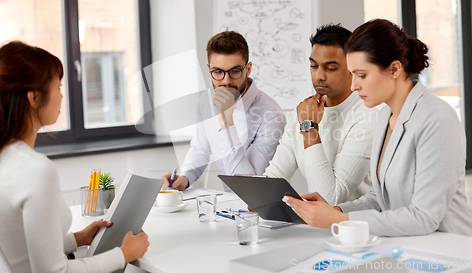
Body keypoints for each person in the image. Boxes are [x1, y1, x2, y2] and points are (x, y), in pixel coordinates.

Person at [282, 19, 472, 238]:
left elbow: (424, 217)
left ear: (394, 69)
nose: (353, 85)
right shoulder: (384, 117)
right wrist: (334, 211)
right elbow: (380, 199)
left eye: (362, 75)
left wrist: (340, 220)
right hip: (411, 245)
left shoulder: (437, 118)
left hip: (453, 249)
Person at [0, 41, 150, 272]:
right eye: (57, 87)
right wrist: (124, 254)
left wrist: (78, 238)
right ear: (34, 98)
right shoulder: (34, 169)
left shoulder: (8, 159)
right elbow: (54, 271)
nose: (61, 97)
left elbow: (21, 244)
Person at [262, 23, 377, 205]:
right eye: (313, 66)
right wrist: (258, 197)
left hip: (356, 227)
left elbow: (328, 199)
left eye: (330, 68)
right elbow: (277, 174)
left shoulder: (367, 117)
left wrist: (309, 129)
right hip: (318, 226)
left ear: (352, 69)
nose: (319, 76)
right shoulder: (303, 111)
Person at [162, 31, 285, 191]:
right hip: (226, 206)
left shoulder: (271, 114)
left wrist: (226, 121)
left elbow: (251, 183)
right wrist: (184, 178)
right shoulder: (206, 100)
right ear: (209, 70)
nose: (226, 81)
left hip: (258, 207)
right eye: (218, 72)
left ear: (248, 69)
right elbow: (200, 150)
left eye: (235, 71)